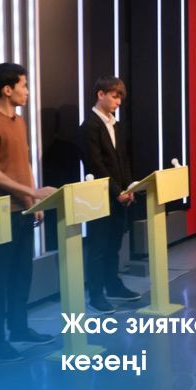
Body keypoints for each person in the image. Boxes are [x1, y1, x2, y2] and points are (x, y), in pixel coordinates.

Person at [0, 63, 56, 361]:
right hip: (0, 214)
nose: (27, 91)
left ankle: (19, 328)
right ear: (7, 89)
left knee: (21, 275)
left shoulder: (19, 122)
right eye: (23, 85)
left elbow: (22, 165)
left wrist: (31, 199)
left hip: (22, 211)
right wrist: (32, 193)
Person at [77, 76, 139, 314]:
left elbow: (124, 159)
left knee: (114, 244)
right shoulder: (89, 127)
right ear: (100, 94)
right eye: (114, 96)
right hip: (99, 196)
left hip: (120, 195)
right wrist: (117, 191)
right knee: (98, 247)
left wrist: (129, 187)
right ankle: (96, 294)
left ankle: (113, 285)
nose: (118, 102)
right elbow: (95, 164)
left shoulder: (116, 125)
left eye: (120, 97)